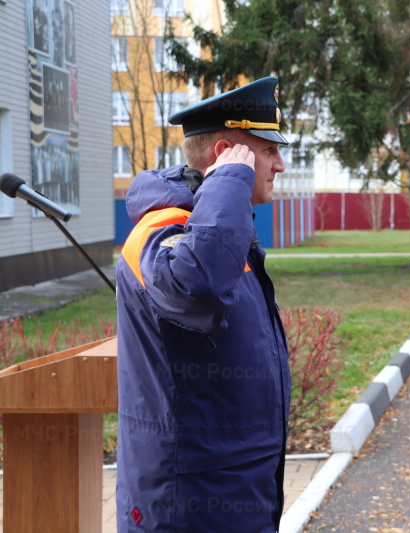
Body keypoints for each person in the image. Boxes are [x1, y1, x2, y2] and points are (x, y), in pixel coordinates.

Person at [115, 77, 291, 532]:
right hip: (189, 501)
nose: (281, 164)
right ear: (226, 154)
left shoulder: (215, 227)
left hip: (233, 488)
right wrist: (231, 183)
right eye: (269, 150)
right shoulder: (161, 230)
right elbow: (198, 289)